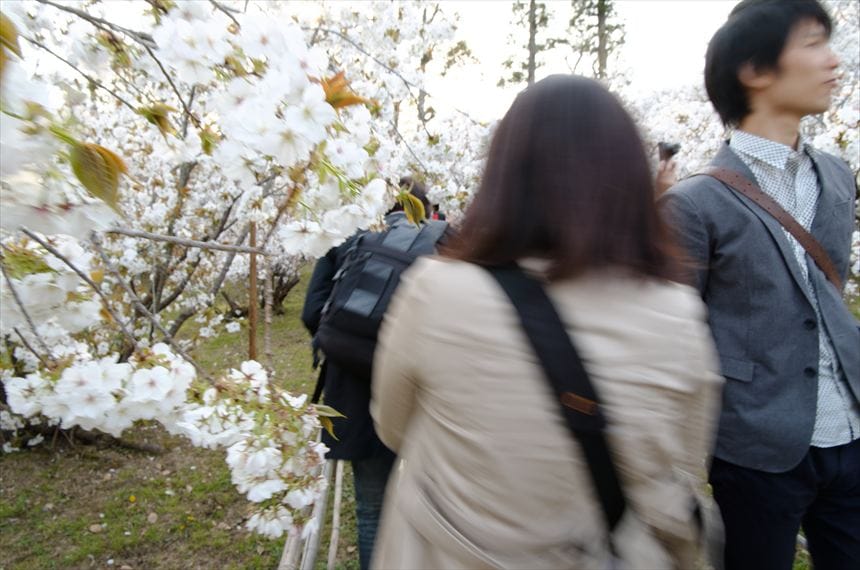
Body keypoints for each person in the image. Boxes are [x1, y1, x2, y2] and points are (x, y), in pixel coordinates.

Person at [369, 75, 723, 569]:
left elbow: (392, 426)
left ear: (503, 176)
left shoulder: (436, 291)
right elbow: (684, 464)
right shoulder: (678, 314)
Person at [659, 1, 860, 569]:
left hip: (849, 426)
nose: (834, 61)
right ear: (754, 69)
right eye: (814, 43)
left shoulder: (837, 176)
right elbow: (677, 337)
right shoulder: (695, 204)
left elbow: (825, 292)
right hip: (756, 448)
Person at [301, 178, 435, 570]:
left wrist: (351, 346)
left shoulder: (347, 237)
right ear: (422, 208)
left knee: (372, 506)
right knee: (428, 496)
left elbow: (312, 312)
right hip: (418, 391)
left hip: (353, 395)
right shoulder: (440, 243)